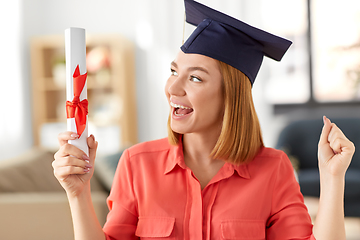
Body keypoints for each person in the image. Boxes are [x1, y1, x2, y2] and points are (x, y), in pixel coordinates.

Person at [52, 1, 355, 239]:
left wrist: (332, 179)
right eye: (174, 72)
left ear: (230, 97)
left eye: (195, 78)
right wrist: (78, 194)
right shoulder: (136, 165)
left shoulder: (274, 170)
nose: (173, 88)